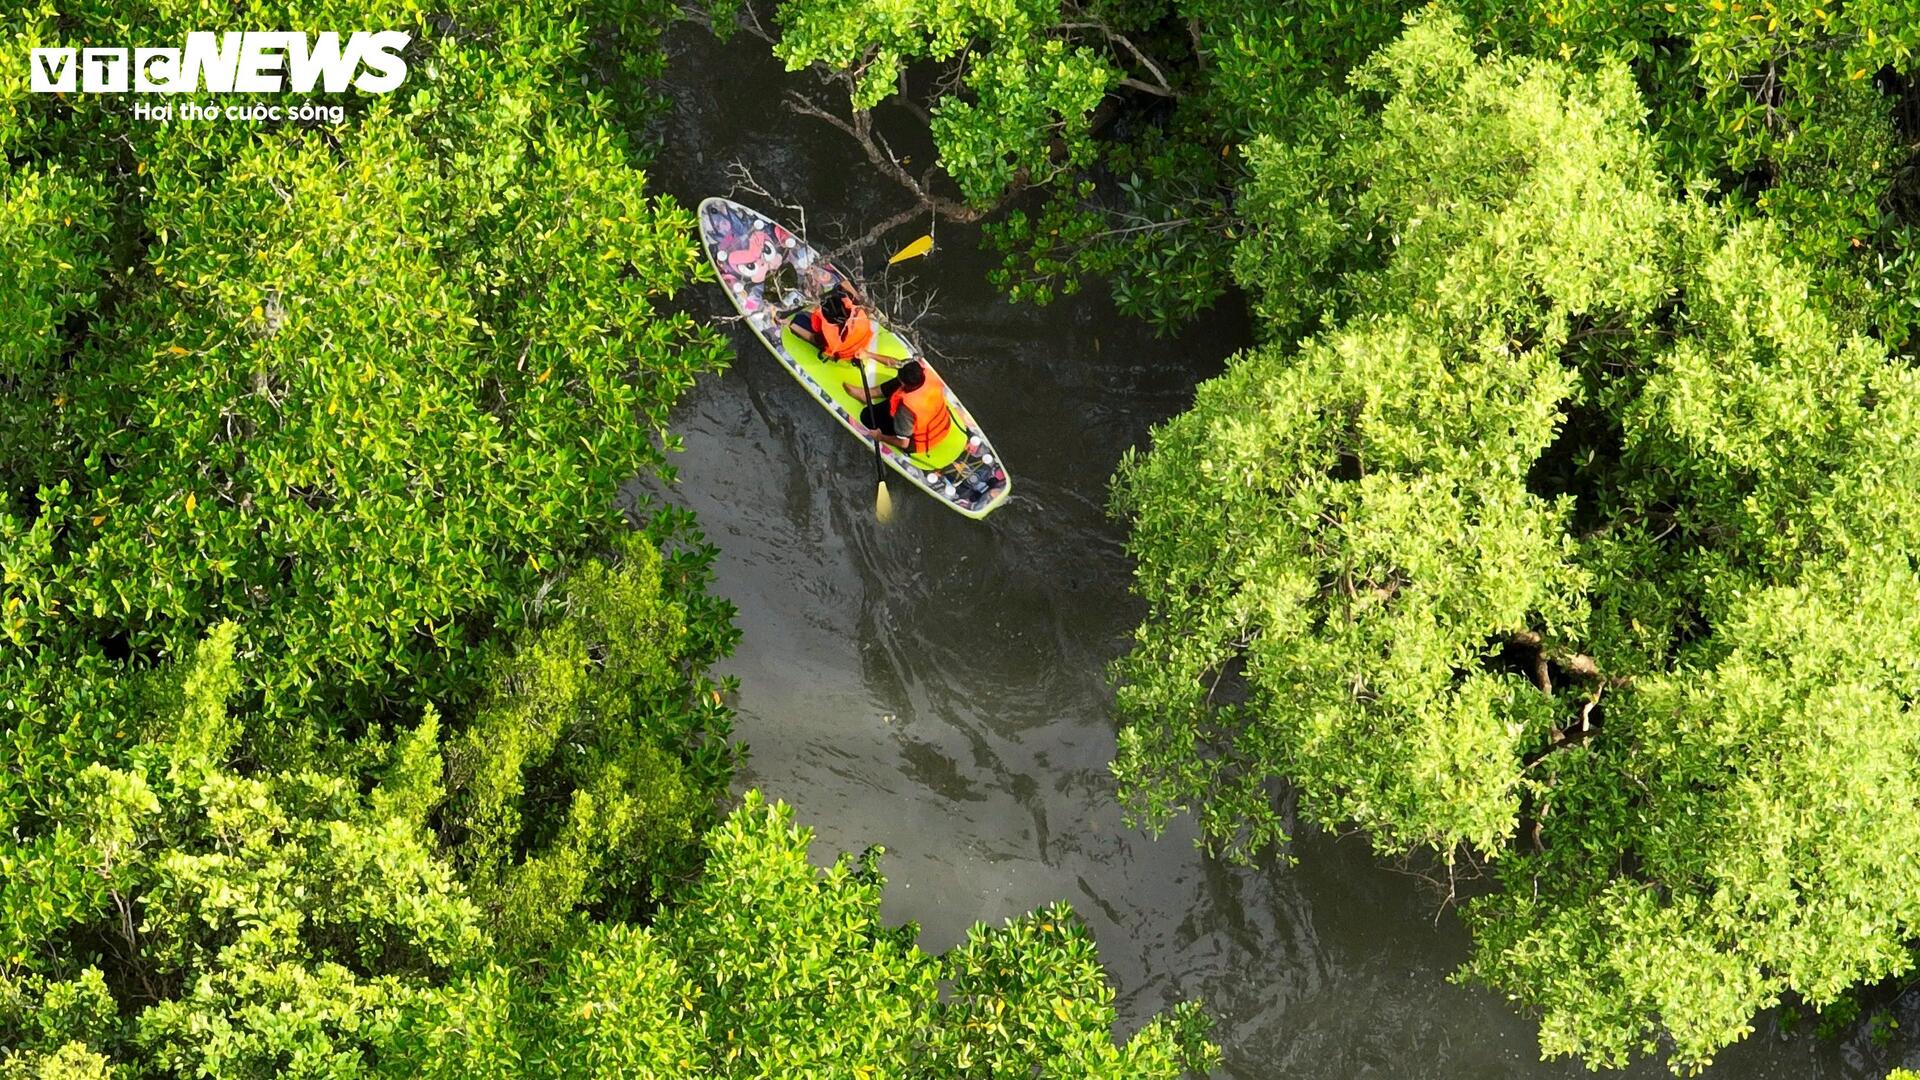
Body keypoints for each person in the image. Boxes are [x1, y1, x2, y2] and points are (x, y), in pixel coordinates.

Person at [845, 358, 953, 456]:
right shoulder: (928, 373)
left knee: (866, 415)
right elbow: (899, 364)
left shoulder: (906, 410)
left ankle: (868, 396)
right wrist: (868, 354)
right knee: (901, 380)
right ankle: (870, 393)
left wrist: (880, 437)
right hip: (941, 424)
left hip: (915, 441)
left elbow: (903, 443)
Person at [788, 283, 891, 365]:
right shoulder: (856, 310)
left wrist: (788, 322)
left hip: (845, 352)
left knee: (799, 320)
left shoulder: (829, 333)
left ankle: (786, 322)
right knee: (839, 286)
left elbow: (813, 336)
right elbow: (845, 285)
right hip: (865, 336)